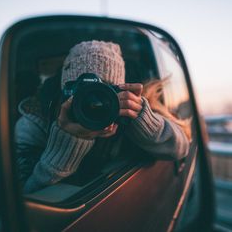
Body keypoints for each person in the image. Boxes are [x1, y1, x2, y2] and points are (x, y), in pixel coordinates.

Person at [15, 40, 191, 194]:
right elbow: (23, 196)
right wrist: (66, 141)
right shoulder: (36, 120)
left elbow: (181, 148)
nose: (94, 103)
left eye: (105, 92)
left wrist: (142, 119)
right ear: (64, 91)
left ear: (121, 93)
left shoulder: (130, 114)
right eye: (81, 92)